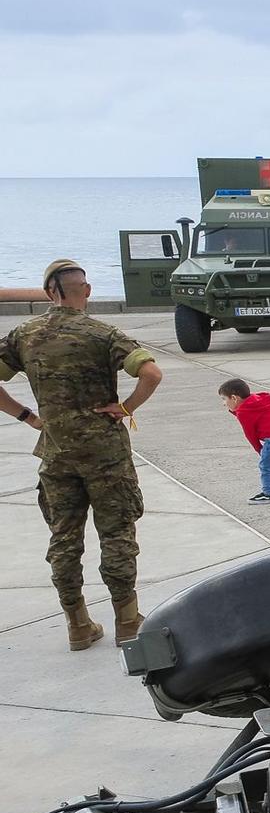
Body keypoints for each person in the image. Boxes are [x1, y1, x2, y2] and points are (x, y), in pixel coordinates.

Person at [0, 259, 162, 649]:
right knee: (117, 533)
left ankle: (77, 624)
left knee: (63, 538)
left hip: (56, 453)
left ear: (48, 293)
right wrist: (126, 407)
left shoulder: (25, 334)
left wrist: (26, 415)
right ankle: (127, 620)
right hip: (105, 454)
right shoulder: (102, 332)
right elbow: (152, 373)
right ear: (85, 291)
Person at [217, 378, 270, 503]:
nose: (223, 403)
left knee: (265, 466)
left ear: (234, 398)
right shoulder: (257, 401)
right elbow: (251, 415)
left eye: (224, 399)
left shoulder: (244, 412)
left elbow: (250, 433)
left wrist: (259, 449)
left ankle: (268, 493)